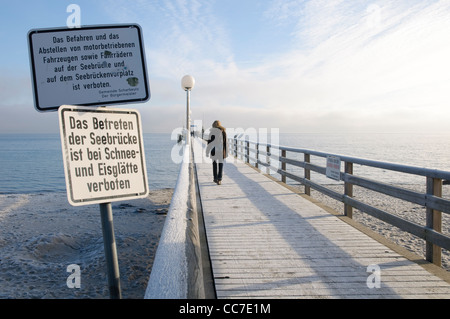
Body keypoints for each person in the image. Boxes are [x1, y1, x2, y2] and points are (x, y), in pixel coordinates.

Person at [206, 120, 228, 185]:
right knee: (220, 164)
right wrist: (226, 152)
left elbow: (209, 143)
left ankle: (215, 178)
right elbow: (225, 143)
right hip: (221, 151)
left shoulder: (212, 132)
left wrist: (207, 152)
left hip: (214, 151)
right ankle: (219, 179)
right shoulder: (223, 132)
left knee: (214, 164)